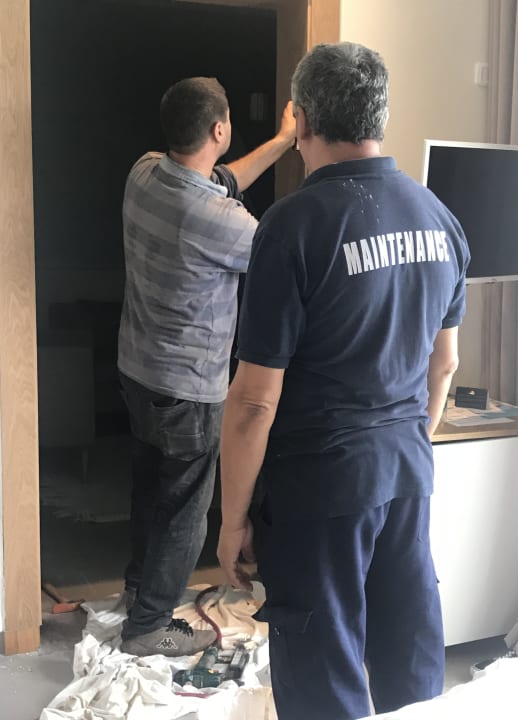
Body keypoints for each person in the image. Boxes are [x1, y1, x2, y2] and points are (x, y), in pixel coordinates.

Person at [217, 42, 470, 720]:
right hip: (406, 474)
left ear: (302, 120)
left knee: (323, 672)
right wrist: (406, 441)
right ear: (378, 115)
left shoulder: (291, 227)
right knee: (408, 654)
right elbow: (444, 365)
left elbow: (252, 401)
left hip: (320, 489)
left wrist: (232, 521)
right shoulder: (439, 218)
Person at [117, 76, 295, 657]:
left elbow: (220, 180)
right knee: (186, 510)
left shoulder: (145, 171)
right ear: (220, 129)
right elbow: (279, 255)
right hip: (188, 388)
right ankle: (149, 626)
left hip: (137, 370)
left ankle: (139, 592)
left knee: (151, 488)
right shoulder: (223, 221)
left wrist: (283, 141)